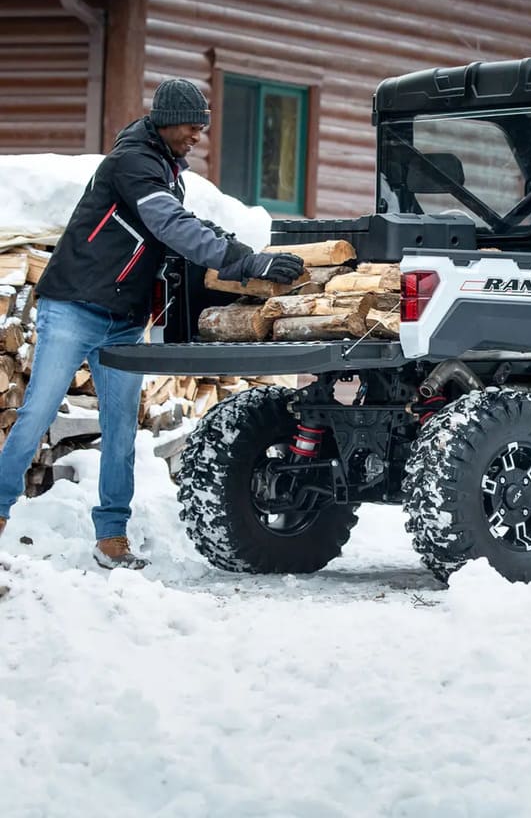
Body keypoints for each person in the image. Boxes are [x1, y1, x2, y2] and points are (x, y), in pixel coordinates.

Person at [0, 78, 304, 568]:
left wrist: (248, 254)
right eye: (192, 126)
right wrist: (242, 263)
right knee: (37, 413)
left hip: (122, 318)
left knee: (121, 431)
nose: (198, 136)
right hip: (75, 306)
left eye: (202, 127)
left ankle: (111, 537)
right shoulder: (132, 163)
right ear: (166, 121)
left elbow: (186, 223)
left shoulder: (165, 170)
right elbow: (170, 224)